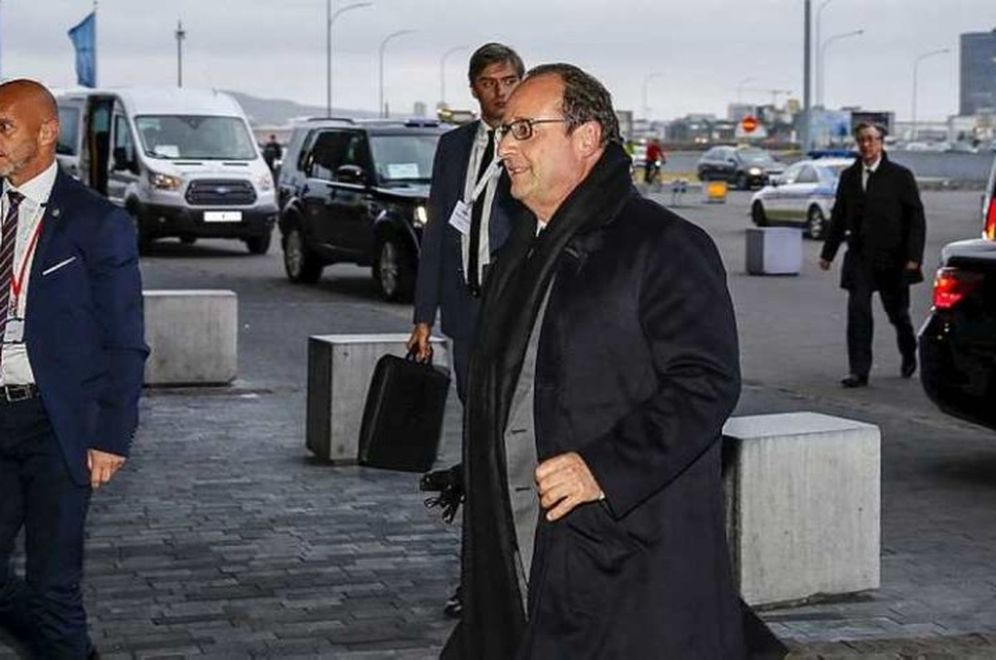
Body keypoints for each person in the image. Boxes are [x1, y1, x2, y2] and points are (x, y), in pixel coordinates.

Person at [442, 63, 752, 658]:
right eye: (505, 131)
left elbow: (706, 384)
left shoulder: (664, 246)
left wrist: (603, 468)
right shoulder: (519, 253)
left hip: (623, 556)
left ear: (586, 139)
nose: (505, 145)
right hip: (522, 546)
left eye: (525, 130)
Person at [0, 79, 148, 658]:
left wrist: (111, 435)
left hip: (56, 424)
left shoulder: (96, 222)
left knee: (53, 586)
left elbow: (124, 339)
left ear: (46, 131)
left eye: (5, 126)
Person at [408, 43, 525, 619]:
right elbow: (435, 237)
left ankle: (522, 576)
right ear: (473, 89)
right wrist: (423, 317)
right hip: (467, 319)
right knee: (478, 447)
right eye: (489, 83)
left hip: (520, 320)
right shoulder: (453, 148)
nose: (501, 92)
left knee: (517, 447)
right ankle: (477, 581)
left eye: (510, 80)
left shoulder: (533, 141)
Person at [819, 122, 926, 388]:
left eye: (871, 139)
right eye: (862, 140)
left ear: (881, 142)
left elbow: (916, 219)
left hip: (894, 259)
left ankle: (908, 349)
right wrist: (828, 253)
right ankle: (859, 370)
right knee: (858, 313)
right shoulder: (850, 177)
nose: (866, 145)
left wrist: (914, 257)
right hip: (860, 258)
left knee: (898, 314)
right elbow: (839, 217)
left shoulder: (900, 176)